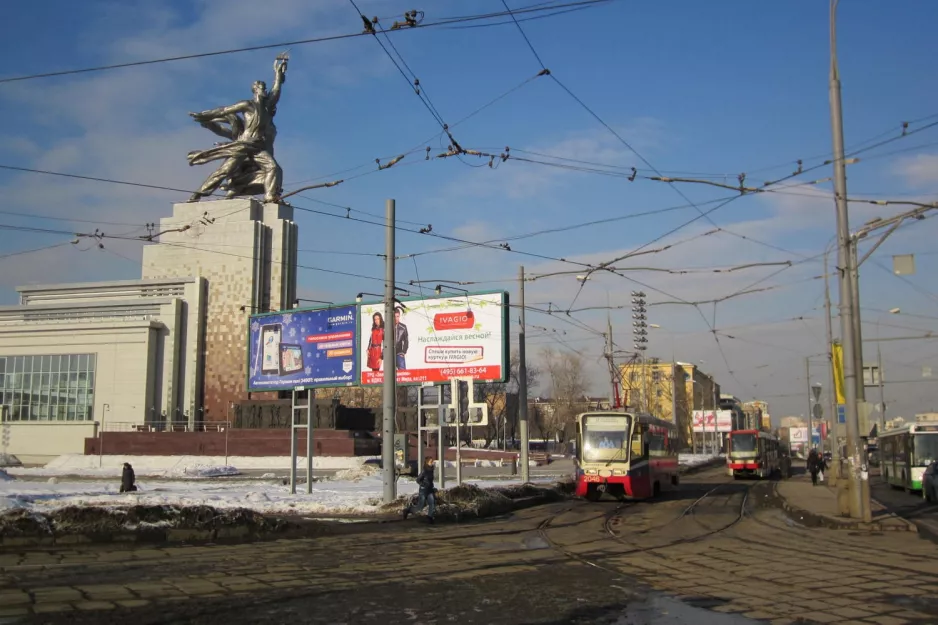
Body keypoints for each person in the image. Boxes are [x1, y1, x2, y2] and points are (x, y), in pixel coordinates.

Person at [403, 458, 436, 523]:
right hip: (423, 490)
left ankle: (430, 517)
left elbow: (430, 480)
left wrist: (431, 486)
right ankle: (407, 510)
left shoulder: (431, 470)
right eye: (431, 461)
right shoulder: (424, 471)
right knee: (420, 507)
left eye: (432, 461)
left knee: (432, 503)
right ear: (427, 463)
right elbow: (418, 480)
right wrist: (423, 484)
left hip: (430, 489)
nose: (432, 463)